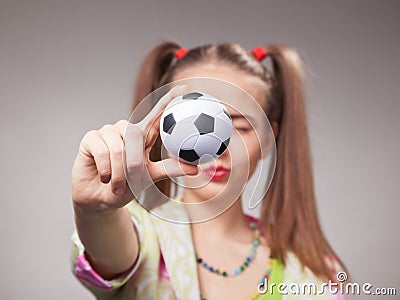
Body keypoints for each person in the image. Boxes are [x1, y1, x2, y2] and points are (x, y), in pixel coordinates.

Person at [70, 42, 348, 299]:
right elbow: (107, 248)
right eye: (192, 123)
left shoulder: (314, 272)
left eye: (239, 127)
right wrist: (95, 211)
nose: (215, 148)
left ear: (268, 139)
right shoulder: (141, 237)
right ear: (164, 130)